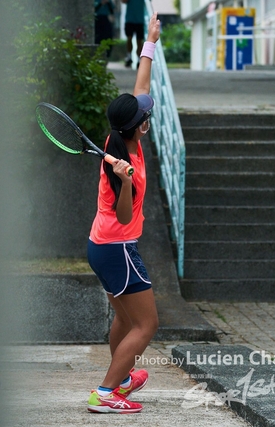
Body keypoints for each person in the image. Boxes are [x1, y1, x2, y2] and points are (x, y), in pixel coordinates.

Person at [86, 12, 160, 414]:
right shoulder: (120, 161)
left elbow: (140, 88)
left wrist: (149, 42)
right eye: (144, 116)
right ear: (139, 127)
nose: (148, 114)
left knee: (125, 320)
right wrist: (127, 181)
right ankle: (106, 392)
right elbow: (126, 213)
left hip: (101, 246)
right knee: (147, 325)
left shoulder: (120, 135)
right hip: (119, 247)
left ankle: (123, 378)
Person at [121, 0, 146, 68]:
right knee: (129, 38)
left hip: (140, 20)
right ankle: (129, 57)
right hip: (130, 19)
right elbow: (123, 1)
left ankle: (139, 60)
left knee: (139, 41)